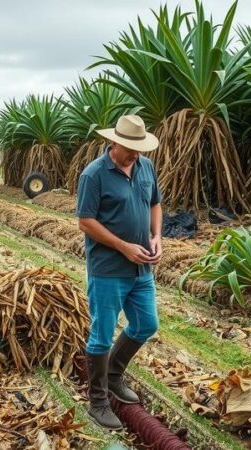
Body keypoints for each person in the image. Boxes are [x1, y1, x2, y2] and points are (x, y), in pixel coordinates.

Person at [75, 114, 162, 429]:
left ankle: (113, 375)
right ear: (114, 142)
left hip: (141, 270)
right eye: (130, 147)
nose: (135, 154)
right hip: (108, 269)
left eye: (139, 148)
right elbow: (85, 221)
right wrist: (123, 246)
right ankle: (97, 402)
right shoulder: (94, 175)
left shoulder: (145, 167)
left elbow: (155, 203)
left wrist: (156, 236)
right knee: (101, 333)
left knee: (146, 323)